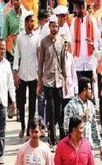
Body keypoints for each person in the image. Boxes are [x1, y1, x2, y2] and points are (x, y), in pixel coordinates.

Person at [37, 14, 68, 147]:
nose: (55, 28)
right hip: (48, 80)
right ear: (49, 27)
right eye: (53, 26)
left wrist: (66, 80)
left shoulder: (61, 41)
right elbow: (40, 62)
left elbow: (63, 62)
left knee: (59, 109)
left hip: (59, 81)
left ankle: (61, 137)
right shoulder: (44, 42)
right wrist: (39, 81)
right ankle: (52, 138)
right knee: (50, 110)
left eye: (56, 26)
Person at [62, 77, 102, 160]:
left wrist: (100, 146)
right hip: (75, 150)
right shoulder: (71, 105)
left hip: (89, 149)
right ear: (84, 90)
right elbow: (66, 126)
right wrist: (78, 119)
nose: (91, 91)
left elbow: (94, 127)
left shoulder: (91, 105)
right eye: (89, 89)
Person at [13, 10, 39, 138]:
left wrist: (40, 74)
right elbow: (16, 55)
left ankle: (30, 127)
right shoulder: (20, 37)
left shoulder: (37, 37)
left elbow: (39, 57)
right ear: (26, 22)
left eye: (34, 21)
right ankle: (23, 126)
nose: (33, 23)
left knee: (33, 104)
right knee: (21, 103)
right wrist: (16, 74)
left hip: (33, 74)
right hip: (22, 74)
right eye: (31, 21)